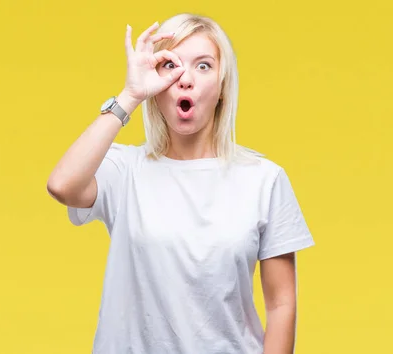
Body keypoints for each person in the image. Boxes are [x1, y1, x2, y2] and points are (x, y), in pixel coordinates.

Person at [46, 13, 315, 354]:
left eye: (203, 66)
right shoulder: (123, 169)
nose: (185, 79)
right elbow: (62, 185)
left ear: (221, 87)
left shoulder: (264, 179)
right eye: (170, 65)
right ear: (155, 88)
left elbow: (281, 306)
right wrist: (130, 95)